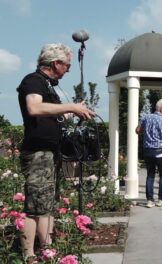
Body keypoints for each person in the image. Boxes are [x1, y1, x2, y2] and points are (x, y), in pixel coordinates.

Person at [17, 43, 95, 263]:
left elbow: (55, 116)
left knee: (47, 204)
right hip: (38, 153)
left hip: (51, 153)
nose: (69, 69)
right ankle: (29, 256)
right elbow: (35, 107)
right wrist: (71, 107)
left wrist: (77, 111)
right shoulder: (33, 81)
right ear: (56, 63)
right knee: (34, 206)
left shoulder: (49, 86)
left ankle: (48, 250)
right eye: (67, 65)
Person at [136, 99, 162, 208]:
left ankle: (150, 201)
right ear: (161, 108)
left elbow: (137, 130)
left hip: (147, 151)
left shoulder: (146, 117)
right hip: (160, 151)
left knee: (150, 175)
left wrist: (146, 132)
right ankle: (161, 200)